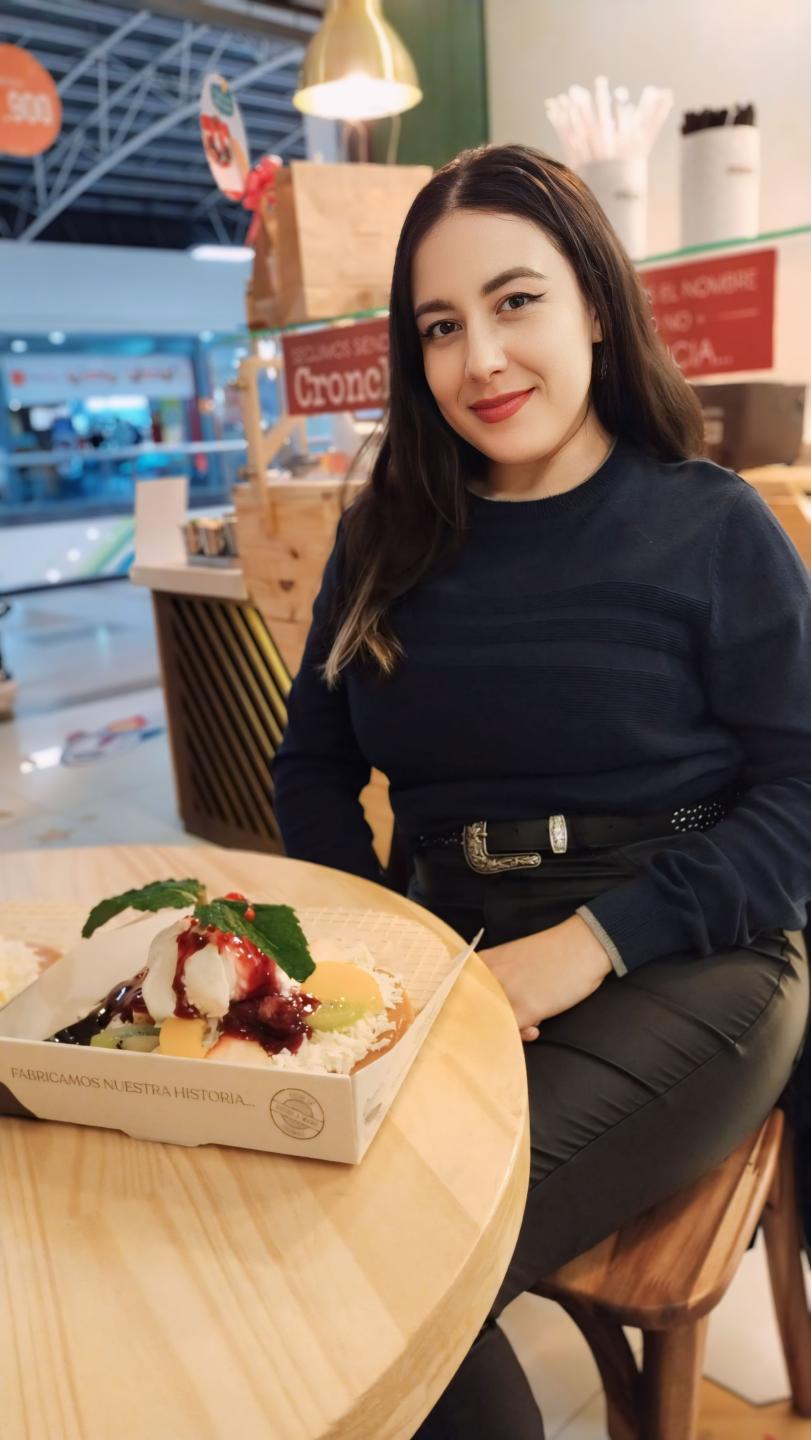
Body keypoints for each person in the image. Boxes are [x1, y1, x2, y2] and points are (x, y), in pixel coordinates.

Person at [272, 144, 811, 1438]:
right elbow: (312, 766)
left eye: (516, 302)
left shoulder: (710, 524)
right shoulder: (386, 532)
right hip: (447, 958)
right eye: (440, 326)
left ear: (595, 305)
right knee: (303, 1216)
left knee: (398, 1254)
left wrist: (585, 947)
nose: (481, 360)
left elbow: (802, 793)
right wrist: (371, 955)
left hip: (689, 952)